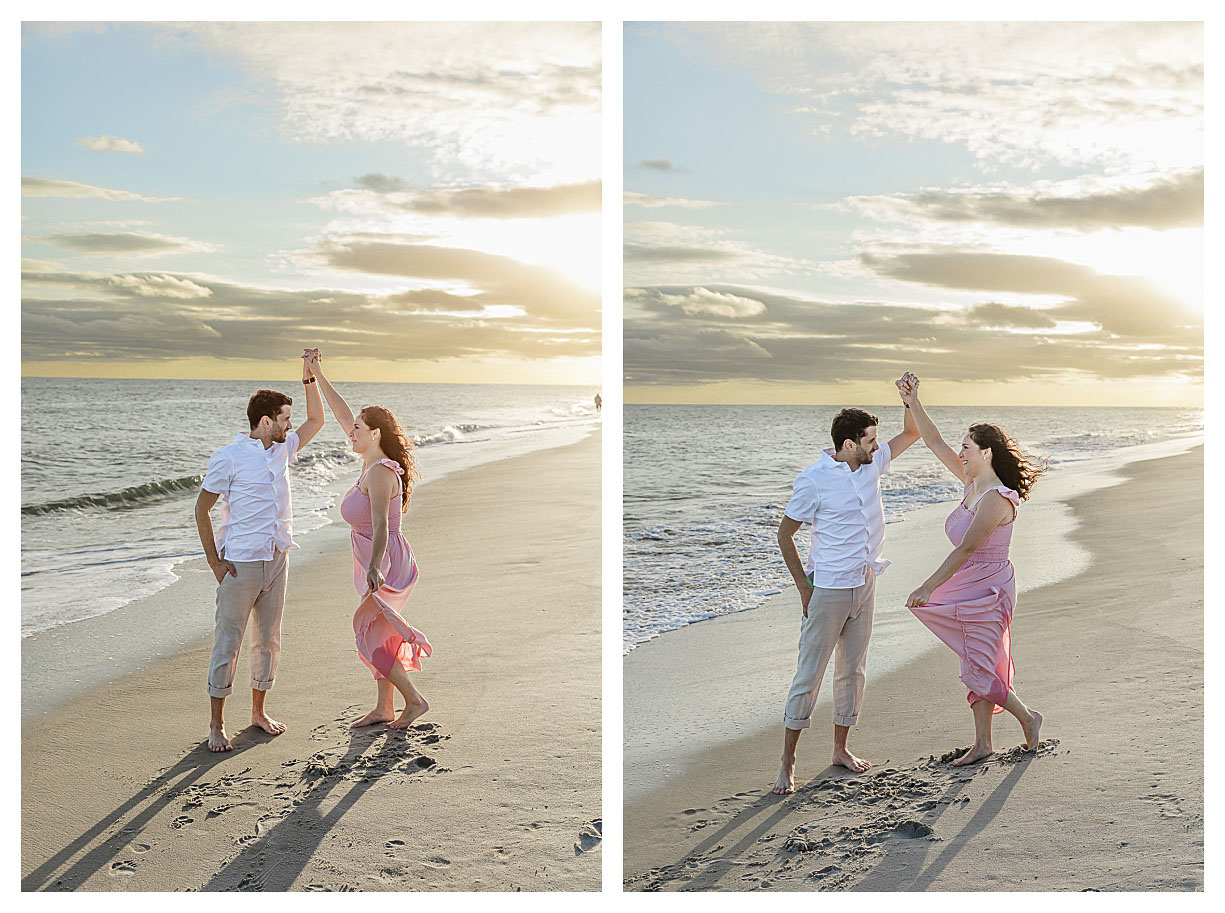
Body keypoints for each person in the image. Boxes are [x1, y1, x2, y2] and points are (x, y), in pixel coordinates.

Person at [772, 387, 921, 794]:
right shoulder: (814, 481)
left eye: (876, 439)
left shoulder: (870, 464)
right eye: (871, 440)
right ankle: (788, 761)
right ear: (849, 444)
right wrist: (805, 590)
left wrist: (909, 398)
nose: (878, 446)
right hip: (829, 591)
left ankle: (840, 749)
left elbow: (913, 434)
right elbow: (785, 535)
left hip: (865, 583)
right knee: (809, 676)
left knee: (852, 672)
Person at [897, 372, 1045, 765]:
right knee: (976, 661)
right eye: (961, 448)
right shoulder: (971, 483)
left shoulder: (996, 499)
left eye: (967, 448)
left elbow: (966, 549)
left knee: (979, 665)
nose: (960, 454)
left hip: (989, 587)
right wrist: (913, 401)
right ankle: (983, 744)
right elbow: (932, 440)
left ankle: (1028, 718)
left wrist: (927, 587)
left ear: (986, 453)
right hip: (968, 583)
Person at [195, 356, 325, 752]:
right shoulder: (229, 457)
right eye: (285, 418)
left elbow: (317, 420)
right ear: (265, 421)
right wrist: (215, 563)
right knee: (227, 643)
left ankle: (257, 713)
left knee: (268, 641)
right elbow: (201, 509)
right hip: (240, 565)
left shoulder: (282, 450)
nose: (291, 424)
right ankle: (217, 724)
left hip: (278, 560)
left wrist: (309, 376)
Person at [303, 350, 432, 729]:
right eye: (353, 426)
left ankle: (414, 700)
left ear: (374, 434)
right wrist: (316, 373)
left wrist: (375, 565)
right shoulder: (370, 460)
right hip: (374, 556)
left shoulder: (380, 473)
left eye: (358, 428)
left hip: (386, 559)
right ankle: (384, 708)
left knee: (366, 633)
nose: (350, 431)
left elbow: (380, 526)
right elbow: (341, 412)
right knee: (379, 632)